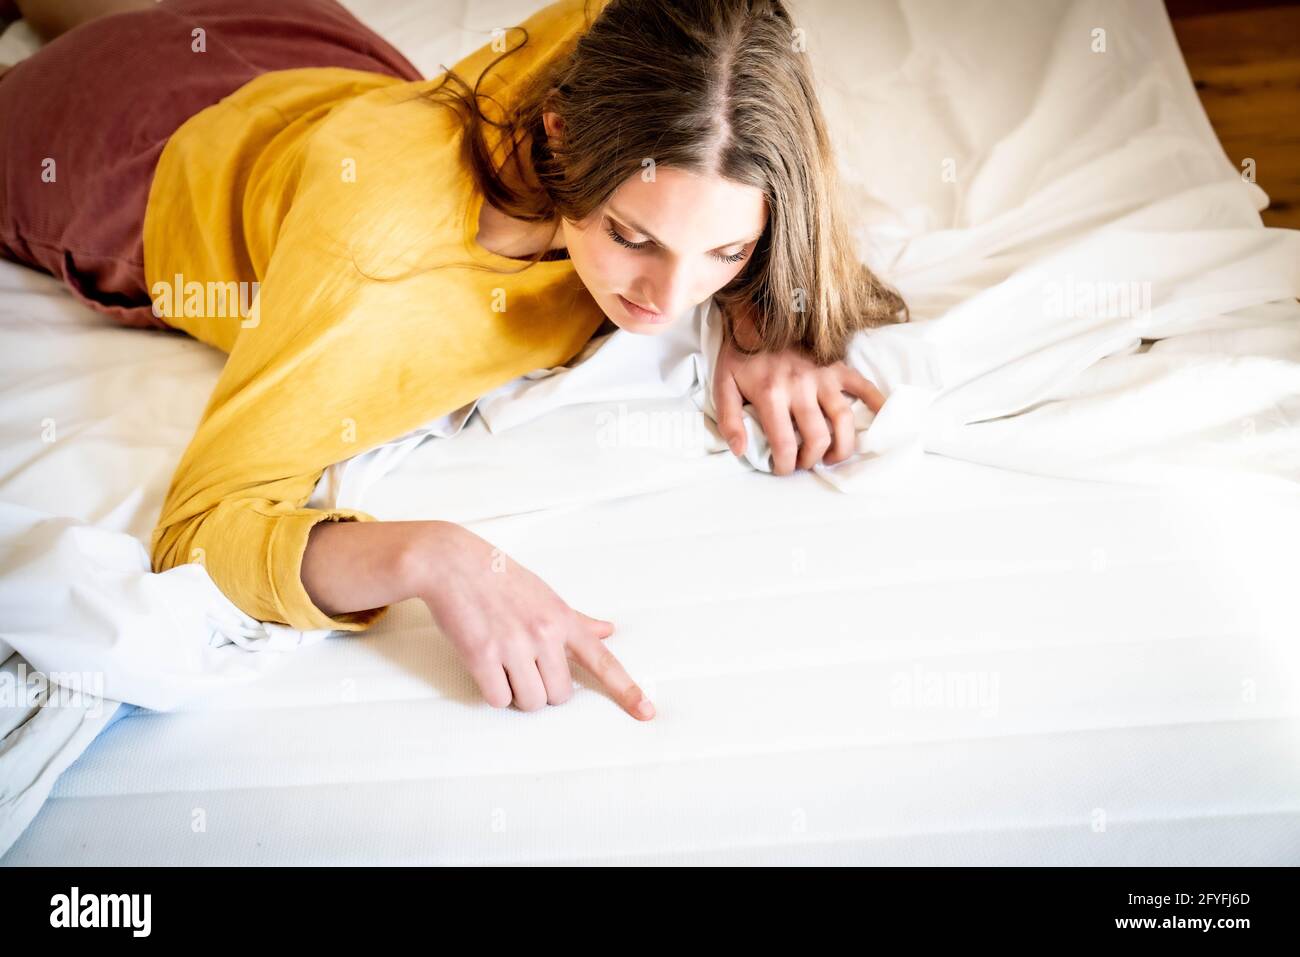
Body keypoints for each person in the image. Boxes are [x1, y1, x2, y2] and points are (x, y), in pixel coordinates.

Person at [0, 0, 907, 720]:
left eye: (725, 254)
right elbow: (196, 532)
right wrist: (428, 555)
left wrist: (769, 316)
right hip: (124, 153)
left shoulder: (640, 45)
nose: (670, 304)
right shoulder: (376, 259)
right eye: (633, 237)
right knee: (106, 48)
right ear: (559, 135)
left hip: (307, 59)